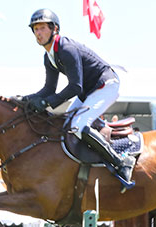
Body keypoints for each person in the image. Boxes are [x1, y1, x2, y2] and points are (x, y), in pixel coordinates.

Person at [19, 9, 135, 189]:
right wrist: (23, 99)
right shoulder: (49, 57)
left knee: (77, 125)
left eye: (42, 28)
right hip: (89, 91)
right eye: (35, 29)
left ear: (54, 29)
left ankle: (120, 162)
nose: (38, 33)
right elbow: (48, 88)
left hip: (105, 85)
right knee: (65, 124)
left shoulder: (66, 48)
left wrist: (48, 102)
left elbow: (75, 87)